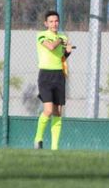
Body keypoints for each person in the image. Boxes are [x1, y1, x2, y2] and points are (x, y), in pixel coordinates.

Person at [33, 10, 73, 150]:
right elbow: (50, 47)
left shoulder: (63, 37)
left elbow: (61, 57)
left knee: (58, 112)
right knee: (48, 110)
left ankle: (55, 148)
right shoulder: (42, 35)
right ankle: (38, 138)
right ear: (46, 23)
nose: (54, 24)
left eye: (56, 21)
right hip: (45, 76)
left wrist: (67, 52)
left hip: (59, 75)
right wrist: (60, 40)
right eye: (51, 21)